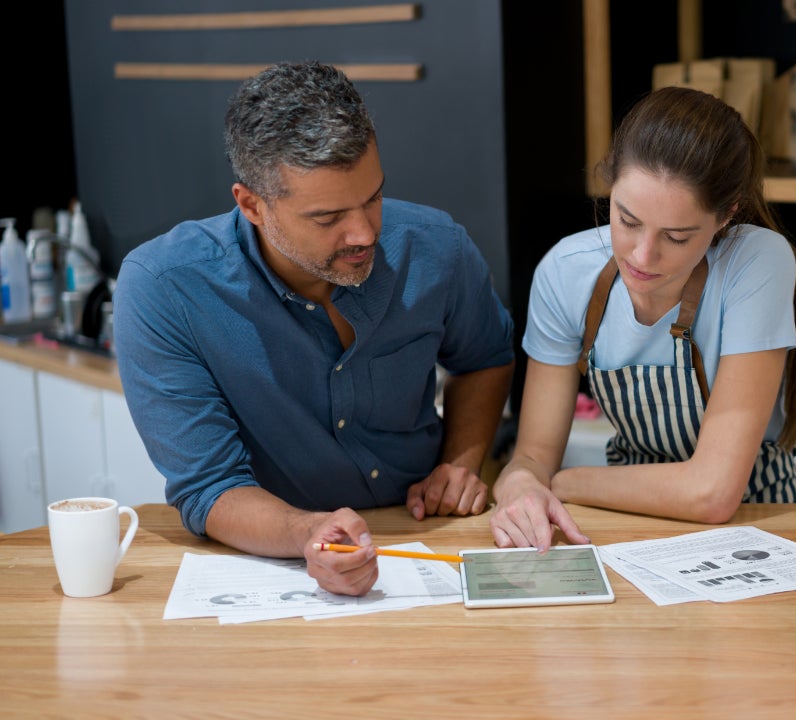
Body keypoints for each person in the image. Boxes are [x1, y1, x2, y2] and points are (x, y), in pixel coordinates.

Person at [113, 61, 514, 596]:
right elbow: (210, 488)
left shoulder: (436, 247)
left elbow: (486, 357)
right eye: (328, 219)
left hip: (430, 538)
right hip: (270, 561)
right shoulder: (165, 288)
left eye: (373, 198)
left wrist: (461, 462)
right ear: (251, 204)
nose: (365, 232)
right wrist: (308, 534)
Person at [489, 86, 796, 551]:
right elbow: (532, 455)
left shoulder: (757, 260)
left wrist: (560, 484)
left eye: (678, 237)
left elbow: (712, 494)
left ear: (726, 215)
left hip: (756, 520)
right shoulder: (565, 272)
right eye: (626, 220)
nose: (643, 255)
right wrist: (521, 483)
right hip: (623, 523)